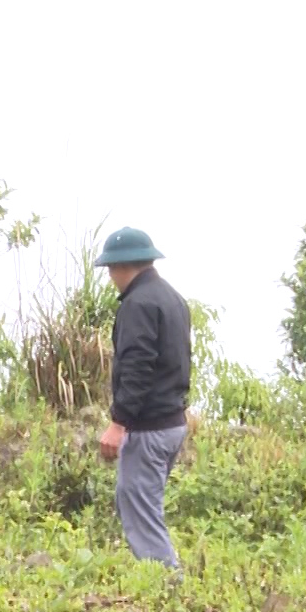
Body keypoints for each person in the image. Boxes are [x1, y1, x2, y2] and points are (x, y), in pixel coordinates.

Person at [93, 226, 192, 572]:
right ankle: (161, 585)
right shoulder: (171, 298)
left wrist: (119, 423)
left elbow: (137, 366)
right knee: (136, 502)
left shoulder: (138, 304)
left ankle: (168, 591)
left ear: (124, 267)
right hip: (172, 422)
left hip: (148, 428)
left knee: (142, 514)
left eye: (110, 270)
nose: (110, 278)